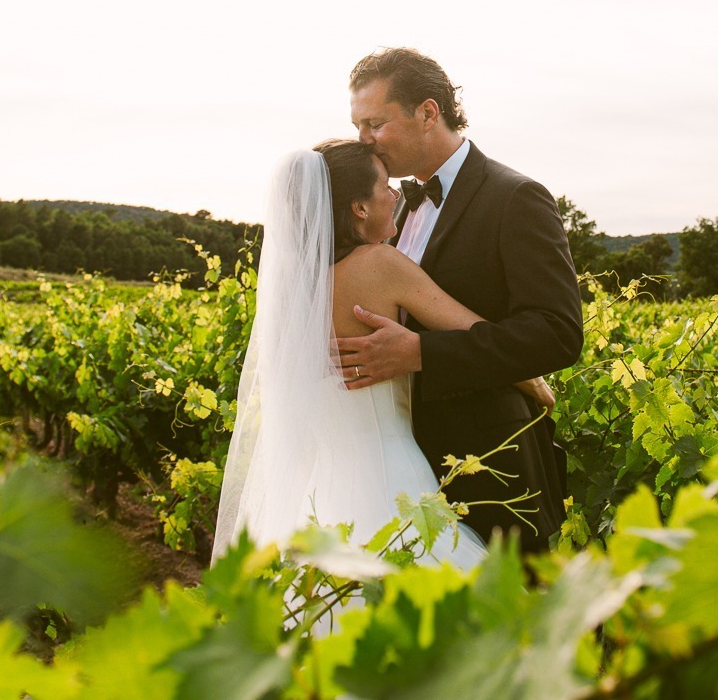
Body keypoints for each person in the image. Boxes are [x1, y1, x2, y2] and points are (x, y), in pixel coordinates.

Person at [211, 139, 554, 565]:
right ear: (359, 207)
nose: (395, 195)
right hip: (392, 478)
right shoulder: (381, 265)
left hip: (319, 491)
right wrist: (537, 386)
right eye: (385, 186)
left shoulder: (289, 295)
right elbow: (476, 332)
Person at [337, 48, 581, 554]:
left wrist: (422, 354)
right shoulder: (389, 206)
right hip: (400, 468)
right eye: (357, 125)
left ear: (428, 113)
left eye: (375, 124)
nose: (363, 141)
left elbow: (556, 334)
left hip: (493, 465)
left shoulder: (515, 197)